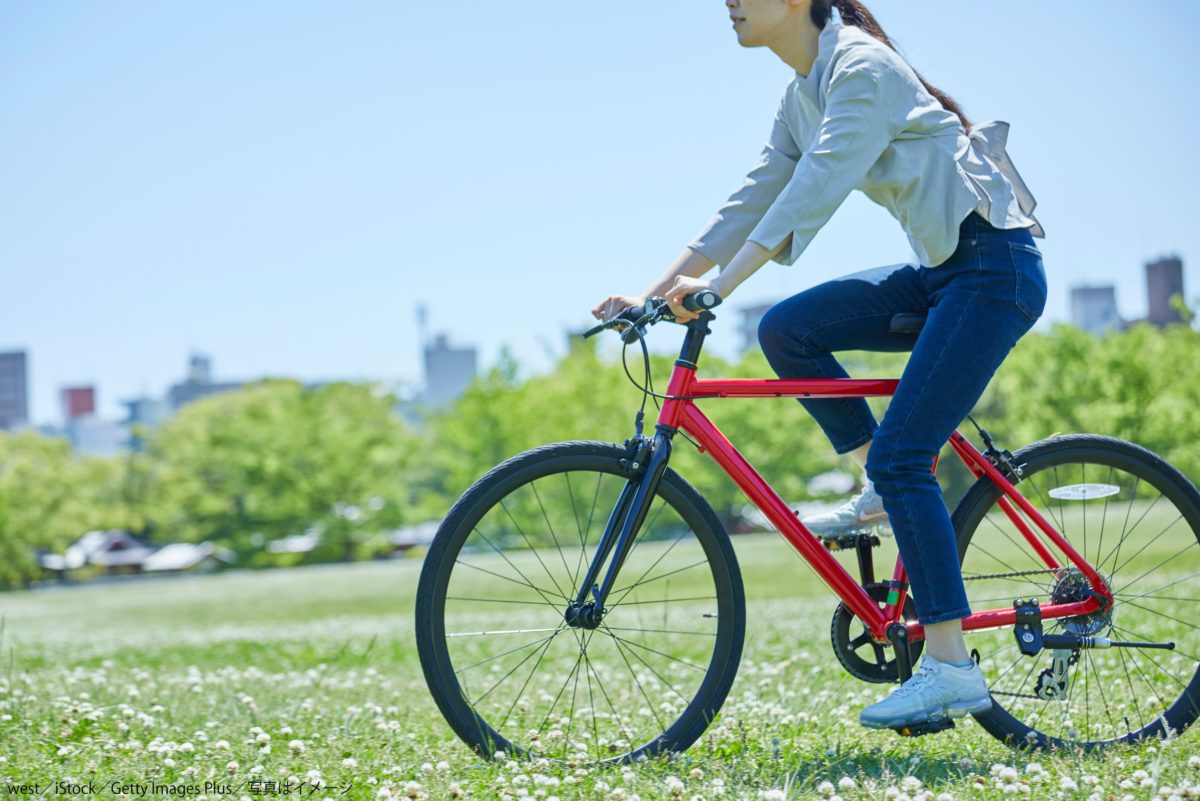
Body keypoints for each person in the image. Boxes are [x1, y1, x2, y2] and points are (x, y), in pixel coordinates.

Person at [591, 0, 1047, 731]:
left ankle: (951, 668)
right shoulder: (803, 91)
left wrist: (716, 287)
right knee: (789, 331)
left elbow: (815, 190)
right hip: (942, 272)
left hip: (992, 269)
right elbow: (752, 198)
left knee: (907, 456)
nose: (728, 3)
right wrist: (648, 294)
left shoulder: (862, 70)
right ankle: (881, 483)